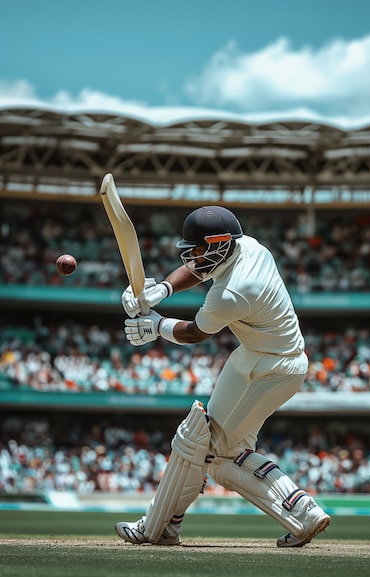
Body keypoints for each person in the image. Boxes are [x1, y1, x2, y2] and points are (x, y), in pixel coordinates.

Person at [115, 205, 330, 547]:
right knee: (220, 450)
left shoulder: (233, 292)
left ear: (219, 244)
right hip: (258, 356)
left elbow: (196, 333)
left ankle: (157, 528)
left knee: (202, 441)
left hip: (272, 368)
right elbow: (200, 269)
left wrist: (155, 325)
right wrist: (164, 290)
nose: (193, 257)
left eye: (199, 250)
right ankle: (302, 511)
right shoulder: (247, 246)